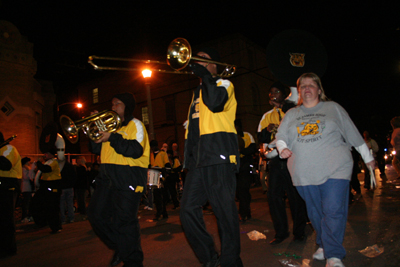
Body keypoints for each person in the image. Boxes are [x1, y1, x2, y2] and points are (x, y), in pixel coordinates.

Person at [276, 72, 375, 267]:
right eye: (302, 86)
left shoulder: (333, 108)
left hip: (336, 168)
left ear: (319, 90)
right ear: (299, 92)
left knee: (333, 210)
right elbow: (281, 135)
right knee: (315, 213)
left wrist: (368, 157)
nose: (306, 88)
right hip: (304, 172)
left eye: (311, 85)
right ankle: (323, 243)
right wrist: (282, 148)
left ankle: (334, 255)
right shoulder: (292, 114)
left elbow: (352, 133)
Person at [180, 48, 243, 267]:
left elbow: (216, 103)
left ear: (215, 64)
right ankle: (210, 259)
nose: (198, 61)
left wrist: (205, 75)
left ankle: (231, 262)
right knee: (187, 210)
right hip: (198, 160)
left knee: (224, 213)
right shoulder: (196, 93)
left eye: (204, 59)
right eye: (197, 58)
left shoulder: (224, 83)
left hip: (219, 156)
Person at [87, 92, 149, 267]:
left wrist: (111, 137)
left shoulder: (135, 124)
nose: (113, 107)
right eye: (112, 104)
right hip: (107, 179)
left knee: (125, 222)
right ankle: (121, 248)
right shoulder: (109, 128)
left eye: (117, 104)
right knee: (95, 215)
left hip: (128, 178)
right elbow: (95, 149)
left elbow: (135, 150)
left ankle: (133, 262)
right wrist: (94, 128)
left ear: (126, 106)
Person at [257, 81, 307, 245]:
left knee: (295, 197)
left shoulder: (293, 110)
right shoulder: (266, 116)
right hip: (276, 160)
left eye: (276, 91)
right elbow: (261, 139)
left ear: (284, 95)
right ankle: (281, 232)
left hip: (292, 157)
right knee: (274, 197)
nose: (272, 95)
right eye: (270, 92)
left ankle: (299, 232)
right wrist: (267, 130)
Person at [0, 131, 22, 258]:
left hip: (8, 186)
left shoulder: (9, 148)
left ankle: (9, 248)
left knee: (6, 218)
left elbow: (6, 165)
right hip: (2, 185)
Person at [35, 148, 63, 234]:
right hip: (47, 187)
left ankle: (56, 226)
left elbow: (46, 169)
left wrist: (38, 163)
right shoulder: (49, 162)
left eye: (46, 153)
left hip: (52, 188)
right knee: (48, 207)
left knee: (53, 208)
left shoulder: (53, 162)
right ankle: (50, 224)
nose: (45, 155)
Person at [235, 119, 257, 223]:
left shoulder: (247, 135)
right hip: (233, 167)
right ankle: (242, 213)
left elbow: (253, 148)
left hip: (245, 165)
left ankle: (244, 213)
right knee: (238, 192)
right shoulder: (228, 136)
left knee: (243, 190)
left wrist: (241, 151)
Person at [150, 140, 171, 221]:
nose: (153, 148)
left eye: (153, 146)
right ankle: (160, 213)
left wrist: (165, 170)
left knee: (162, 195)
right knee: (157, 196)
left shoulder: (162, 154)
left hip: (160, 177)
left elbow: (167, 164)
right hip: (153, 176)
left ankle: (163, 212)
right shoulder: (151, 155)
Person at [59, 160, 77, 224]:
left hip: (62, 187)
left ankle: (63, 218)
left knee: (61, 203)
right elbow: (74, 176)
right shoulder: (70, 166)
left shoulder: (59, 166)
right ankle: (71, 218)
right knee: (70, 203)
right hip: (69, 187)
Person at [20, 157, 35, 223]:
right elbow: (27, 177)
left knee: (28, 202)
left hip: (27, 188)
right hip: (26, 188)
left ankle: (28, 215)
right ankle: (25, 216)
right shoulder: (24, 169)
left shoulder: (26, 168)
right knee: (26, 203)